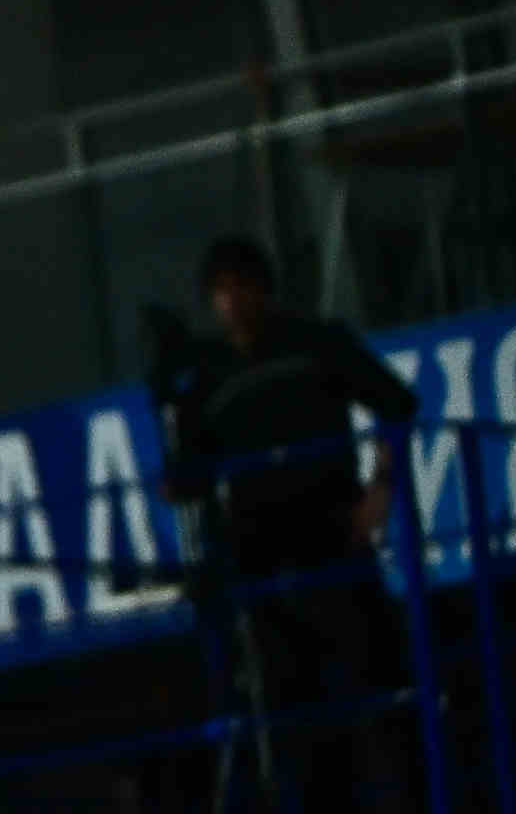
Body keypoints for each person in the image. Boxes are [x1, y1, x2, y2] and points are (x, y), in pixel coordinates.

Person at [150, 233, 420, 814]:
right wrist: (166, 407)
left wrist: (381, 489)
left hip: (333, 539)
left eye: (240, 286)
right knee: (289, 712)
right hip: (260, 563)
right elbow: (186, 481)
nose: (232, 301)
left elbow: (397, 403)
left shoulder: (316, 342)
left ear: (264, 288)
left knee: (376, 690)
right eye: (220, 291)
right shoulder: (208, 377)